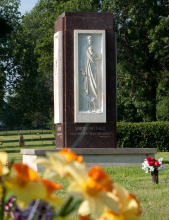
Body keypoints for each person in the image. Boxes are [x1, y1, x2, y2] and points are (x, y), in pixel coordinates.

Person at [80, 35, 100, 111]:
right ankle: (87, 107)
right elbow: (81, 59)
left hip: (93, 69)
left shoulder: (94, 48)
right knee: (87, 87)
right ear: (87, 40)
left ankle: (95, 106)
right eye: (89, 39)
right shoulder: (84, 48)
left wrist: (94, 55)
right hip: (87, 69)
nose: (90, 41)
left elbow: (99, 57)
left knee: (94, 86)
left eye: (91, 39)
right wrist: (82, 70)